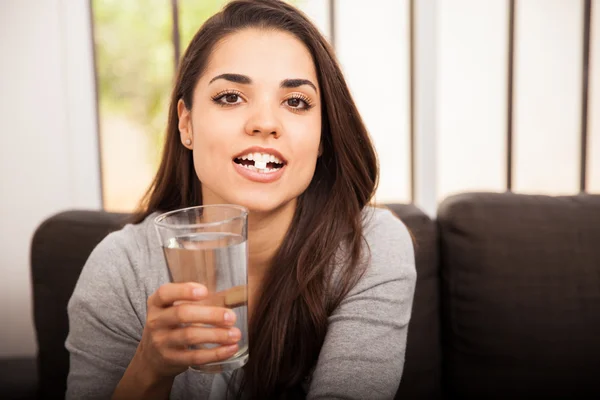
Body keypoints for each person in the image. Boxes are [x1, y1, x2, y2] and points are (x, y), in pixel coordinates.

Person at [65, 0, 416, 399]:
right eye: (231, 97)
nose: (265, 123)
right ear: (186, 123)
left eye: (296, 101)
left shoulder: (368, 247)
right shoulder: (121, 268)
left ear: (322, 139)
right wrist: (150, 369)